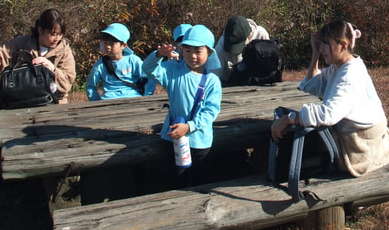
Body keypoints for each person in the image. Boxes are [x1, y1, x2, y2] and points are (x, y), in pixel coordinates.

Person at [270, 19, 389, 177]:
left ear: (343, 45)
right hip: (357, 138)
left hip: (359, 147)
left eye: (325, 44)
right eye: (320, 43)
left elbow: (327, 115)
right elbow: (311, 86)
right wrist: (315, 54)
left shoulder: (348, 76)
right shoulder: (341, 67)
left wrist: (289, 118)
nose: (322, 48)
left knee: (292, 142)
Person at [0, 7, 76, 190]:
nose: (56, 38)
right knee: (0, 140)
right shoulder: (22, 44)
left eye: (59, 34)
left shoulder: (64, 51)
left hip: (53, 107)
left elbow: (66, 84)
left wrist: (51, 68)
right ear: (40, 30)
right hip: (19, 106)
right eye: (52, 34)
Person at [143, 24, 222, 186]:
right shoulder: (172, 71)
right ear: (181, 50)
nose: (192, 55)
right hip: (172, 138)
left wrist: (189, 127)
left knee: (201, 181)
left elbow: (210, 112)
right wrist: (158, 54)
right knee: (177, 180)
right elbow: (148, 68)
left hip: (199, 142)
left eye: (198, 51)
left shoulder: (212, 82)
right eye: (188, 50)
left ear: (209, 52)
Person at [85, 23, 156, 101]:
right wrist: (96, 102)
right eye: (105, 43)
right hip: (109, 100)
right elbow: (90, 85)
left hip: (133, 98)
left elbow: (149, 76)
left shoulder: (133, 60)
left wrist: (147, 97)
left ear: (123, 45)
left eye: (112, 44)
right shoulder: (100, 65)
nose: (108, 47)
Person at [214, 15, 270, 85]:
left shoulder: (261, 34)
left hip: (257, 79)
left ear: (249, 35)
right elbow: (214, 75)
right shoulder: (221, 47)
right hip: (230, 82)